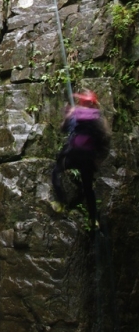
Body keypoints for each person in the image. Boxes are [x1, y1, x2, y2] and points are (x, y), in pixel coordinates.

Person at [52, 89, 110, 230]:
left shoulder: (75, 113)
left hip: (73, 155)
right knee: (88, 188)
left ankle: (60, 202)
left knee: (56, 171)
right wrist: (98, 159)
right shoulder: (98, 118)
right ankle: (93, 219)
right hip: (88, 159)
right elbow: (105, 137)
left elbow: (63, 129)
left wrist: (68, 116)